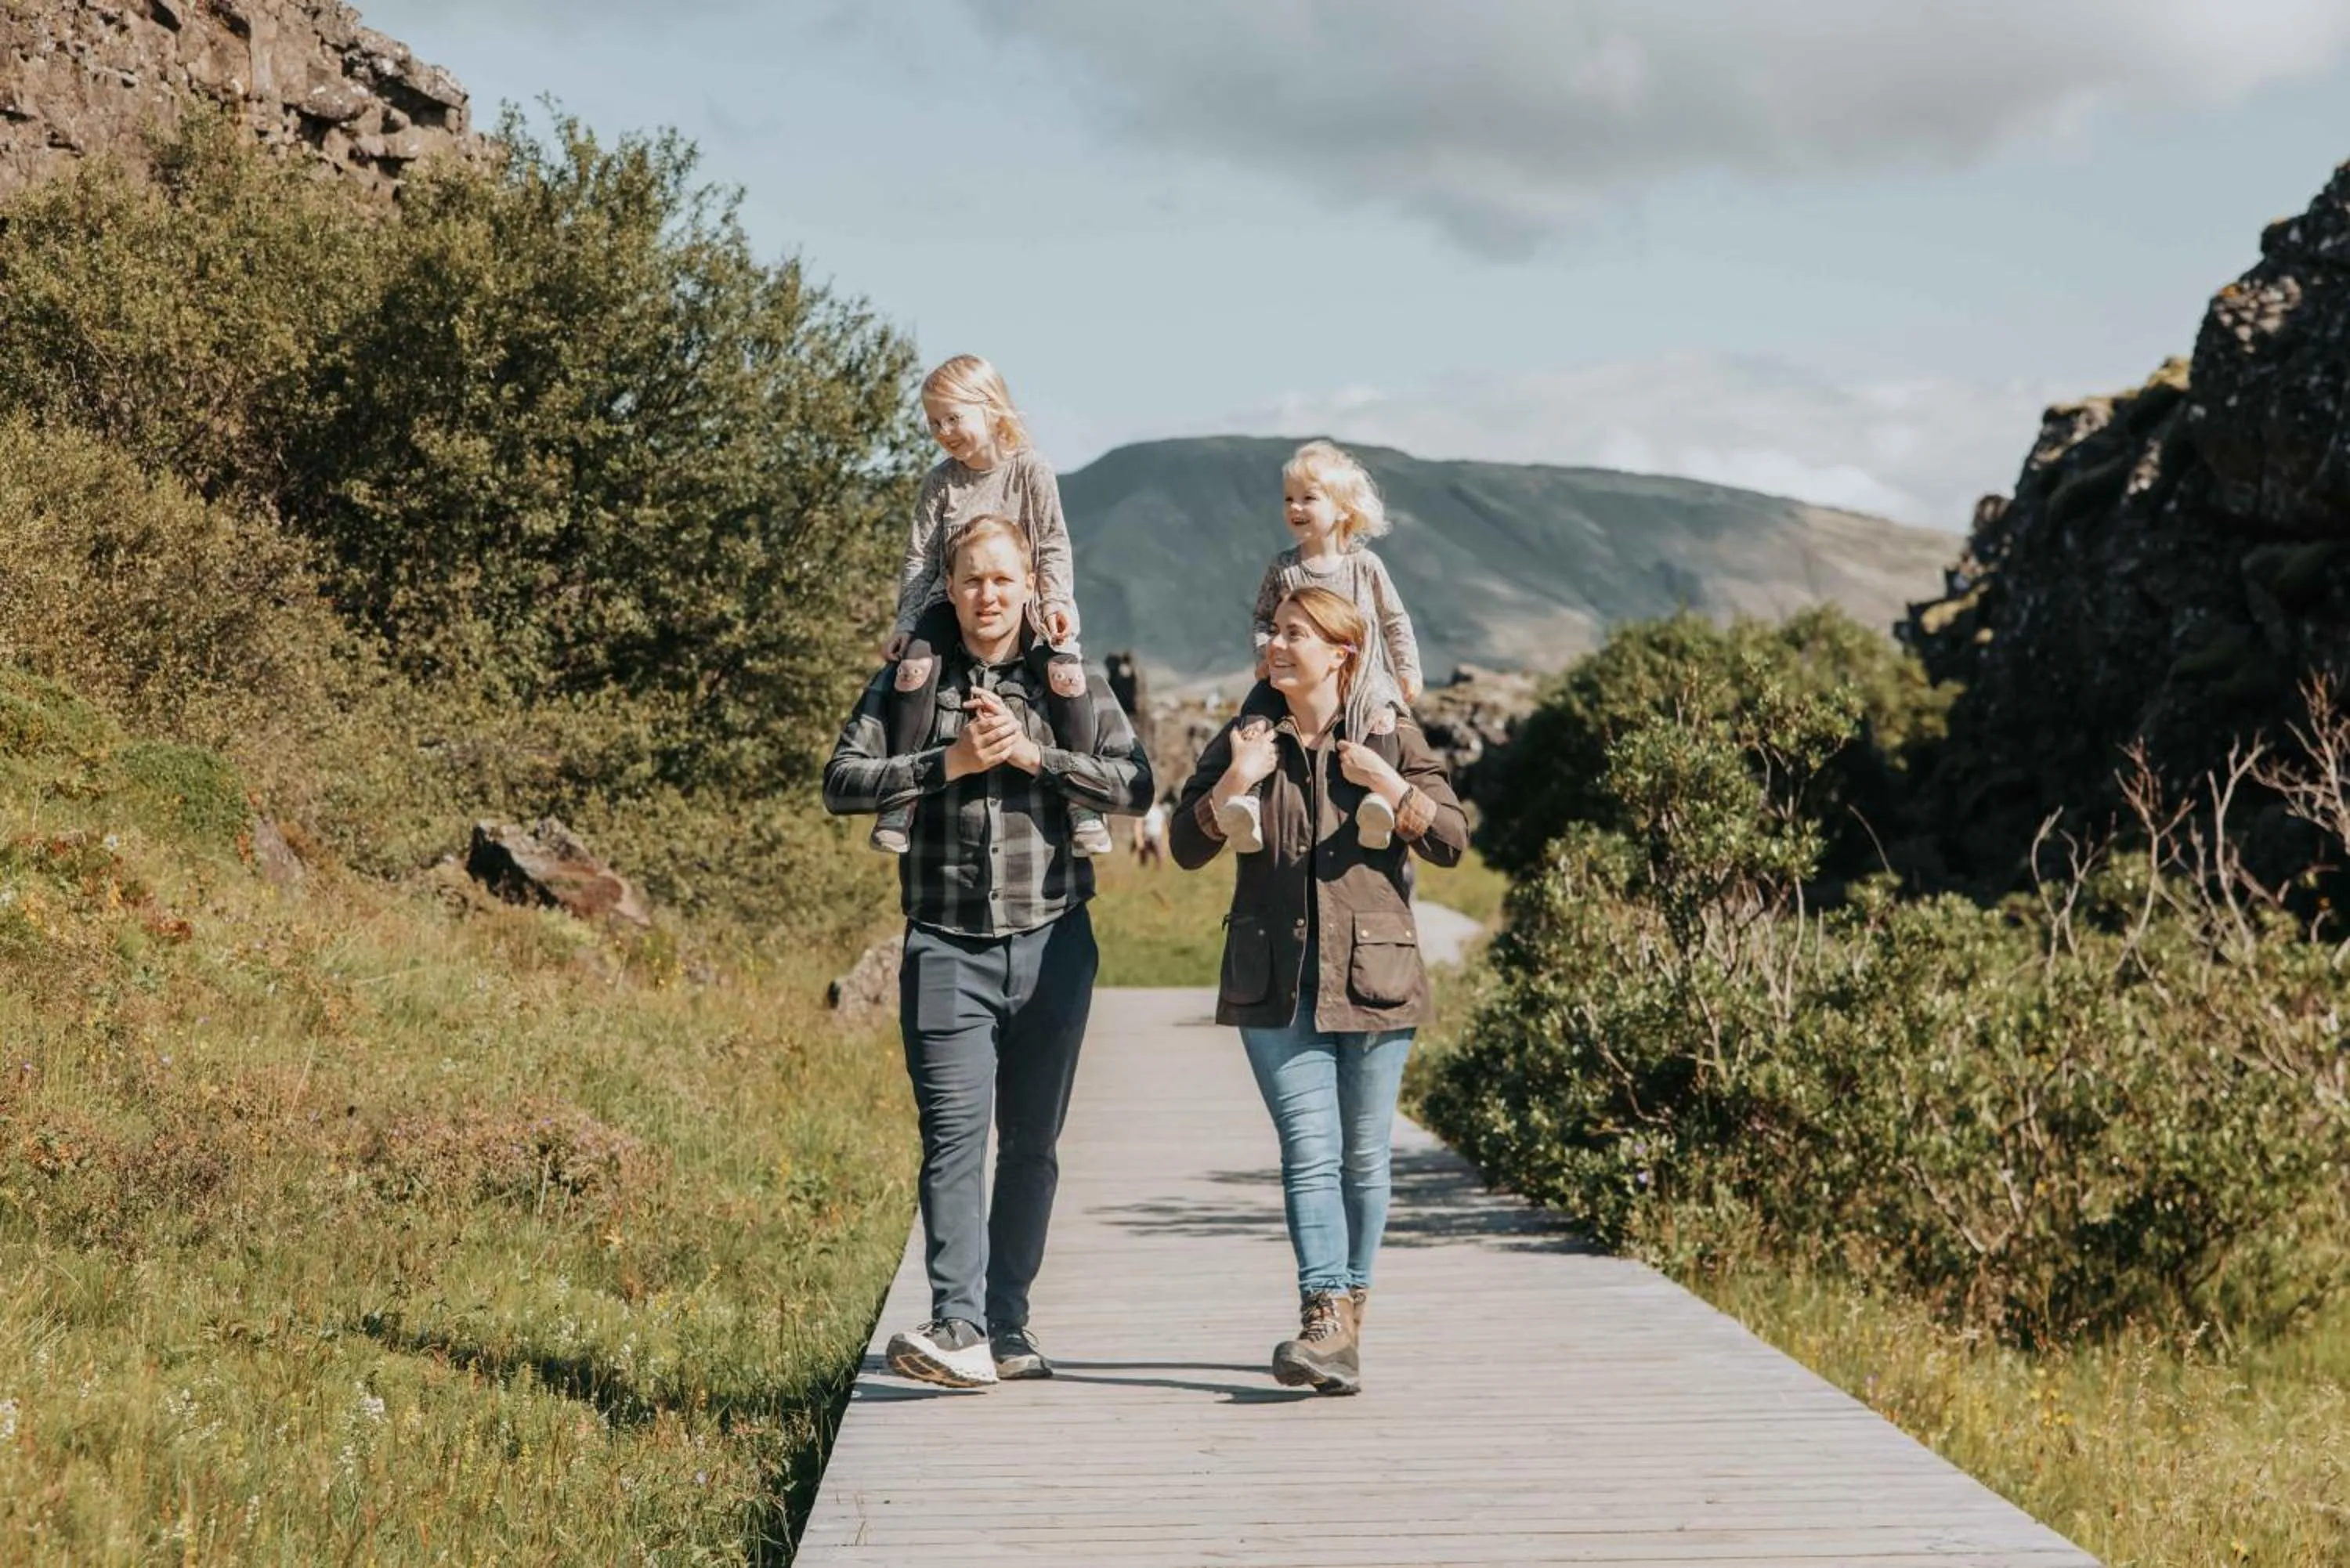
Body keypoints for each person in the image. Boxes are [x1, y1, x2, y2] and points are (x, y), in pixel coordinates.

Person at [824, 514, 1152, 1387]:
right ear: (949, 587)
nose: (989, 595)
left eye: (1004, 580)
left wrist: (1038, 756)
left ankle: (1009, 1324)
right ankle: (957, 1322)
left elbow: (1136, 781)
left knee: (1033, 1145)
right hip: (942, 943)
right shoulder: (910, 679)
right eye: (972, 580)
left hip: (1054, 943)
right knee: (952, 1142)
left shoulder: (1065, 680)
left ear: (1030, 589)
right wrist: (950, 761)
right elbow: (841, 779)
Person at [1170, 586, 1466, 1396]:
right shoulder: (1247, 734)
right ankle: (1324, 1316)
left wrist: (1390, 785)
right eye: (1271, 629)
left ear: (1340, 650)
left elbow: (1451, 837)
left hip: (1374, 978)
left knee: (1364, 1156)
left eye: (1294, 632)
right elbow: (1182, 844)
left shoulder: (1385, 728)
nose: (1275, 641)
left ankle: (1349, 1311)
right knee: (1309, 1148)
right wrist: (1235, 773)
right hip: (1273, 981)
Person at [872, 354, 1112, 859]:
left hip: (1021, 602)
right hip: (950, 598)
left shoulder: (1031, 470)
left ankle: (1083, 801)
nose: (943, 431)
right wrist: (907, 620)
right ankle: (901, 797)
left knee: (1065, 671)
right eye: (934, 422)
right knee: (914, 670)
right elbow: (921, 556)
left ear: (990, 408)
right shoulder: (940, 483)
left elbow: (1051, 543)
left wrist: (1055, 602)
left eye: (954, 418)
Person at [1219, 439, 1424, 856]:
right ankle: (1249, 806)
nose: (1295, 508)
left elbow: (1394, 620)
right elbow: (1262, 617)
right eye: (1288, 499)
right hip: (1292, 680)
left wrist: (1407, 668)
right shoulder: (1285, 568)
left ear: (1343, 508)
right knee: (1256, 720)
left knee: (1382, 720)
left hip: (1362, 676)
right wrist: (1264, 655)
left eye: (1308, 498)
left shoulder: (1364, 567)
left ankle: (1377, 803)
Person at [1133, 793, 1170, 869]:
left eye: (1155, 797)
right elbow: (1139, 825)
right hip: (1147, 837)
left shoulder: (1160, 811)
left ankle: (1156, 874)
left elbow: (1164, 826)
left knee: (1160, 858)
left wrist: (1166, 841)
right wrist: (1139, 839)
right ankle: (1142, 872)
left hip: (1157, 838)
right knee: (1143, 859)